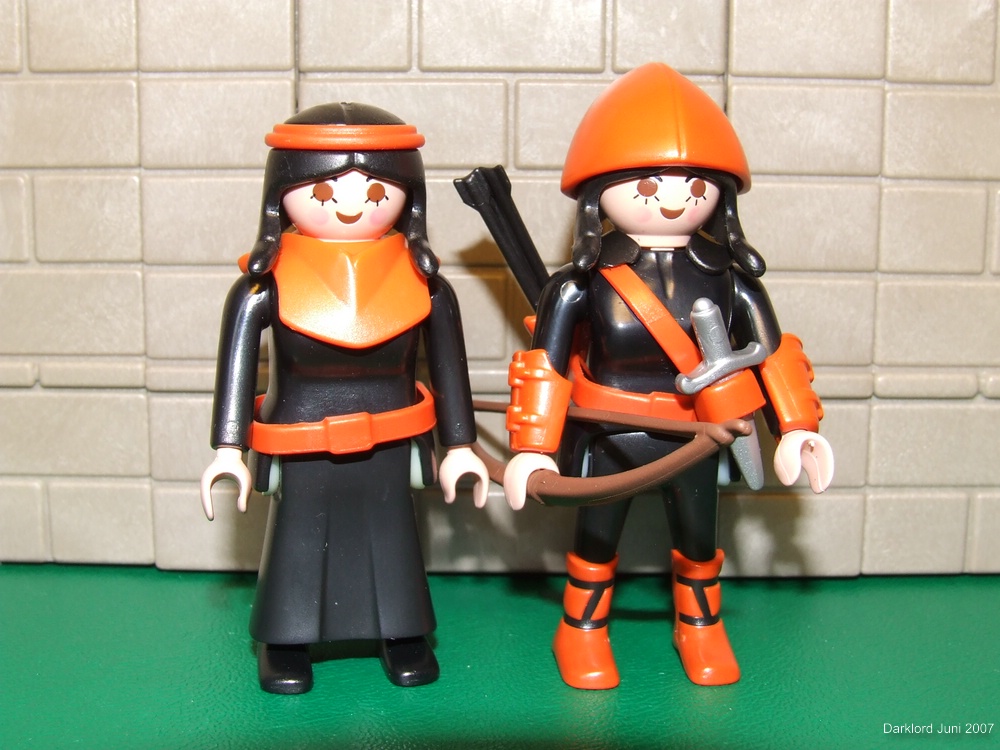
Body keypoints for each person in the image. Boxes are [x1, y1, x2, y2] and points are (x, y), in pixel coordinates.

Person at [502, 63, 834, 690]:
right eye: (650, 184)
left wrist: (796, 427)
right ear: (599, 192)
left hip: (699, 435)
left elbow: (772, 354)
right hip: (611, 432)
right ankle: (581, 629)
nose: (675, 199)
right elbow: (545, 367)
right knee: (597, 537)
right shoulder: (581, 284)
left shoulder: (729, 278)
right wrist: (532, 447)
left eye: (694, 183)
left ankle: (700, 625)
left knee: (698, 539)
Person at [201, 102, 488, 694]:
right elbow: (236, 370)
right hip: (300, 440)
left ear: (408, 194)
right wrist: (228, 449)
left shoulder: (426, 286)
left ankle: (402, 632)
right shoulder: (264, 288)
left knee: (394, 537)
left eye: (376, 191)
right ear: (283, 193)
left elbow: (450, 370)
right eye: (327, 192)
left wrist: (460, 446)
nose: (353, 206)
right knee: (297, 540)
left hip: (392, 439)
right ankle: (286, 641)